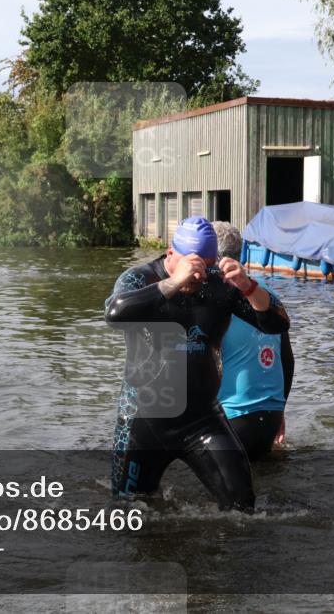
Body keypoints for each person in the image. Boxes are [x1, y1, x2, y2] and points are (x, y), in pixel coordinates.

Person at [104, 217, 290, 511]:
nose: (197, 276)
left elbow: (278, 324)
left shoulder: (219, 285)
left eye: (205, 266)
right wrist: (174, 282)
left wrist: (248, 285)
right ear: (170, 255)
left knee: (243, 508)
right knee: (129, 513)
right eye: (191, 265)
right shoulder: (140, 278)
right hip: (143, 420)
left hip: (202, 419)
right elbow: (114, 313)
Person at [212, 222, 294, 460]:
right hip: (270, 418)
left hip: (232, 418)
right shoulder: (267, 297)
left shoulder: (215, 301)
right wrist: (280, 412)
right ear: (242, 253)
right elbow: (287, 360)